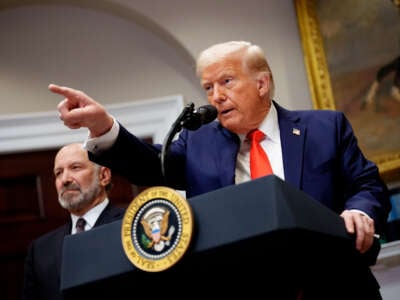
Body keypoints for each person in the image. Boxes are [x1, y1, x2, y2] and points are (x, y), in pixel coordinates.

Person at [49, 41, 391, 299]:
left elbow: (367, 184)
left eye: (227, 81)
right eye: (208, 87)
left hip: (336, 289)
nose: (216, 96)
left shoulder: (324, 128)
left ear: (262, 83)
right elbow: (153, 166)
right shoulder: (198, 141)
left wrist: (359, 211)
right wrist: (104, 126)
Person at [21, 143, 125, 300]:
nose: (65, 179)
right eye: (58, 173)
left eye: (75, 167)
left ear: (103, 176)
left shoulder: (132, 227)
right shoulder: (40, 250)